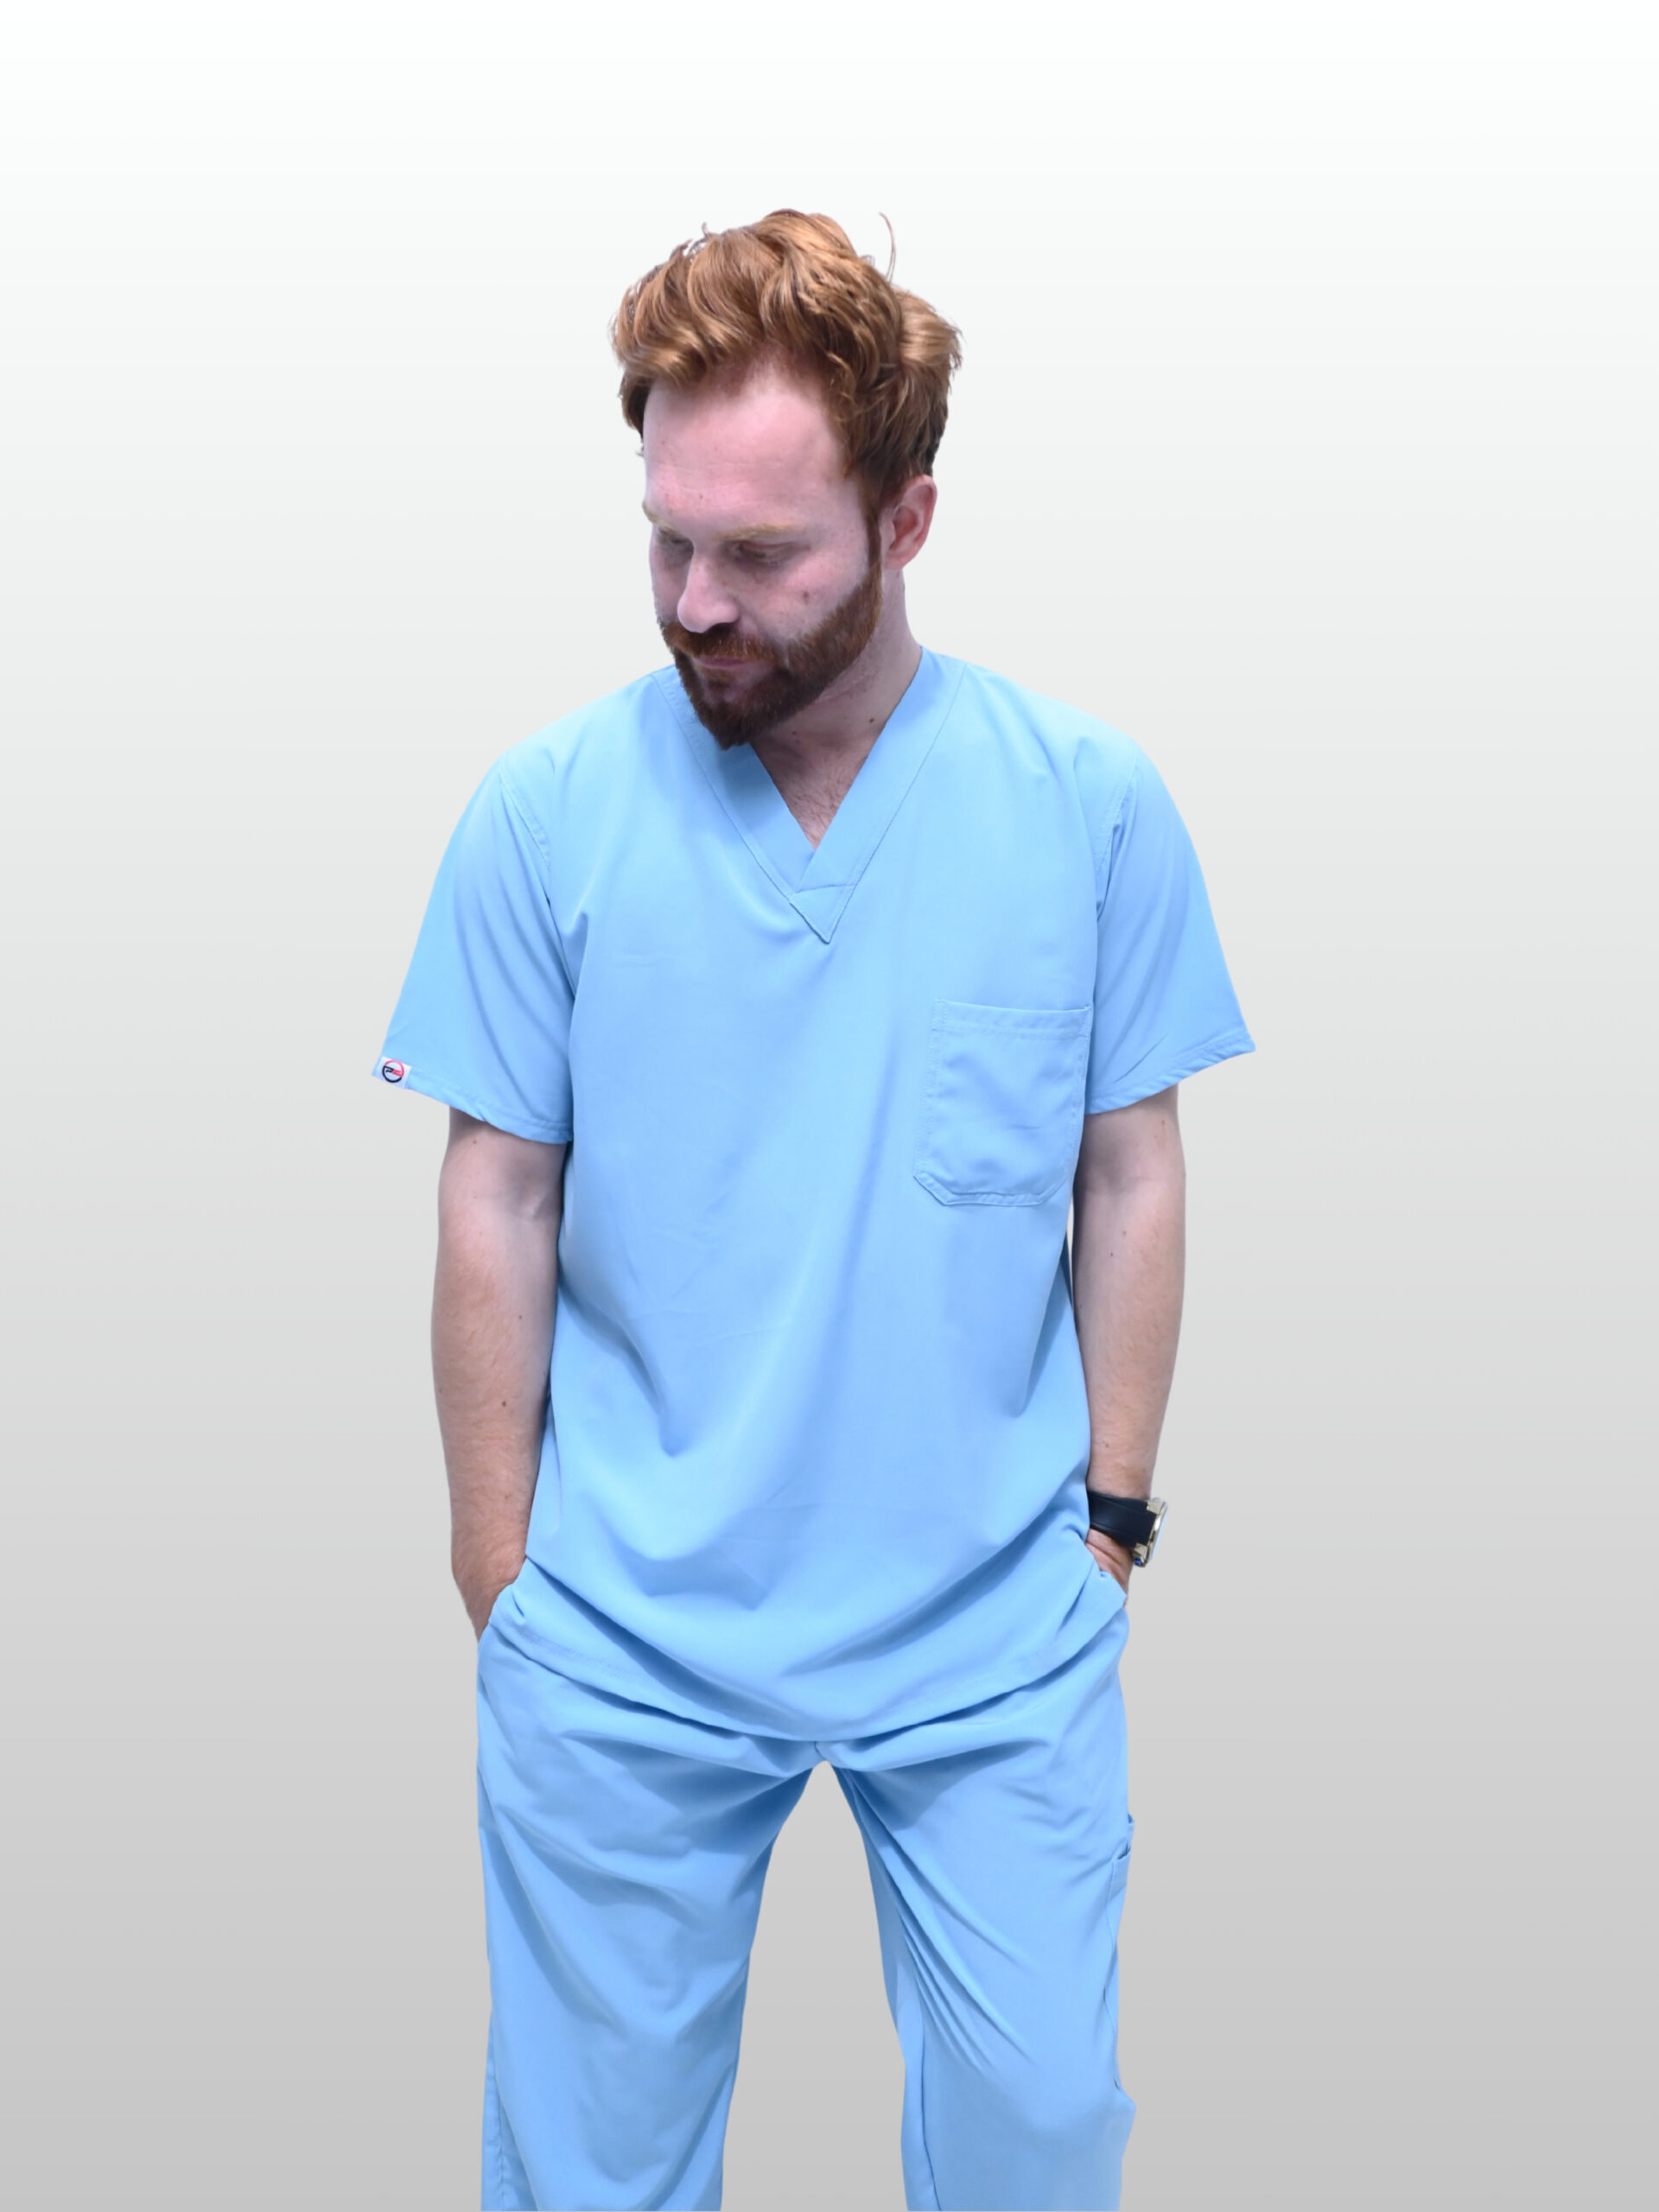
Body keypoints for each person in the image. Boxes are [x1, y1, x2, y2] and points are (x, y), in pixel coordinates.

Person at [374, 210, 1252, 2212]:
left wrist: (1111, 1519)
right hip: (628, 1629)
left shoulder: (1086, 804)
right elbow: (496, 1196)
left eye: (763, 555)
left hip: (992, 1623)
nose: (700, 601)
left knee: (1041, 2133)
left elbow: (1129, 1167)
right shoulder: (546, 812)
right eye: (669, 541)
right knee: (590, 2180)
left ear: (907, 519)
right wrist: (505, 1579)